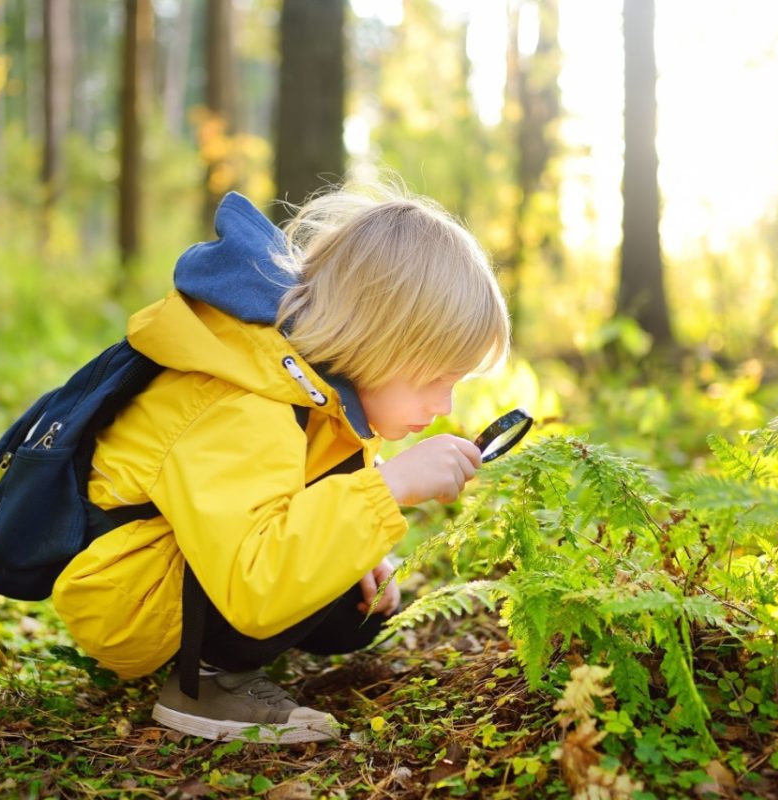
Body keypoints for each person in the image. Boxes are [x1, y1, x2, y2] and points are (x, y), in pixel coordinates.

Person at [52, 182, 510, 744]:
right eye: (434, 378)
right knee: (315, 565)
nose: (444, 406)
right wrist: (385, 489)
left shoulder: (319, 393)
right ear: (375, 341)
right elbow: (255, 575)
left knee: (355, 608)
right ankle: (206, 685)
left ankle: (224, 658)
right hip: (129, 598)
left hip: (204, 563)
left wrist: (359, 546)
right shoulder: (245, 401)